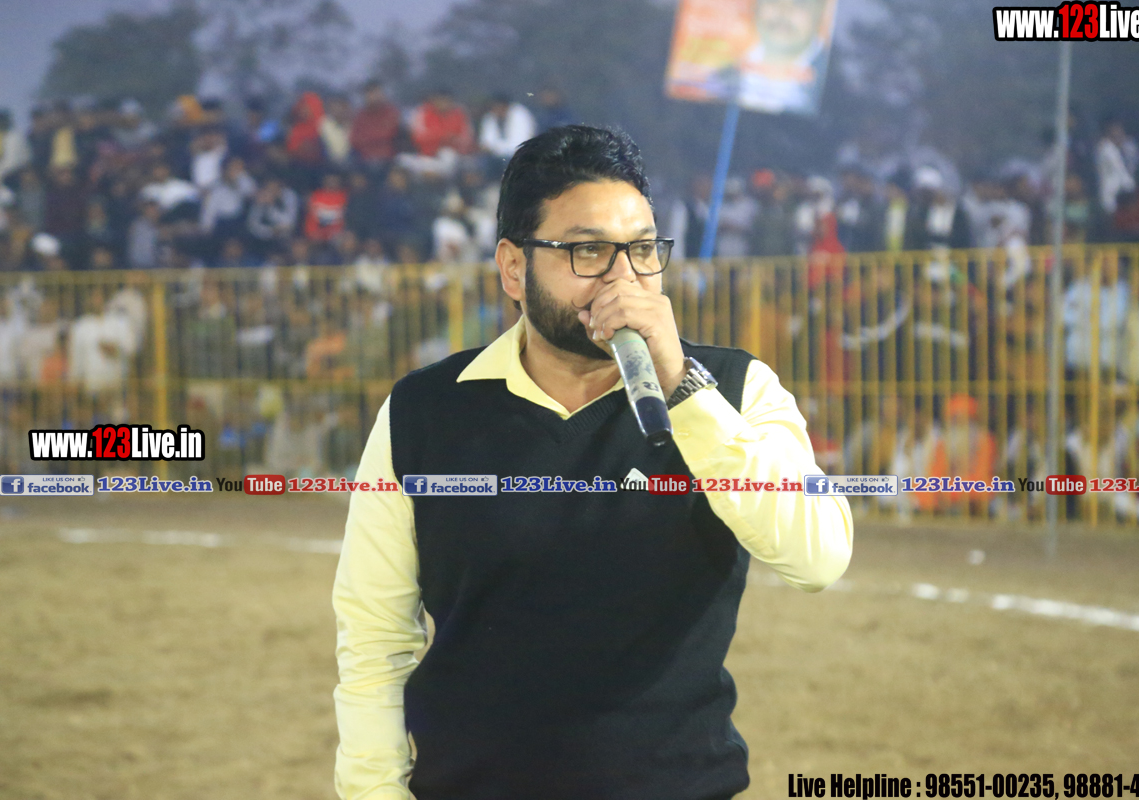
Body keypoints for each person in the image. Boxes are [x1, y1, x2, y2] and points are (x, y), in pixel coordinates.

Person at [331, 125, 853, 800]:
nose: (624, 280)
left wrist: (682, 386)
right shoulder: (425, 410)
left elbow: (819, 557)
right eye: (588, 251)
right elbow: (374, 641)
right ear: (513, 268)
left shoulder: (736, 389)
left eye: (643, 250)